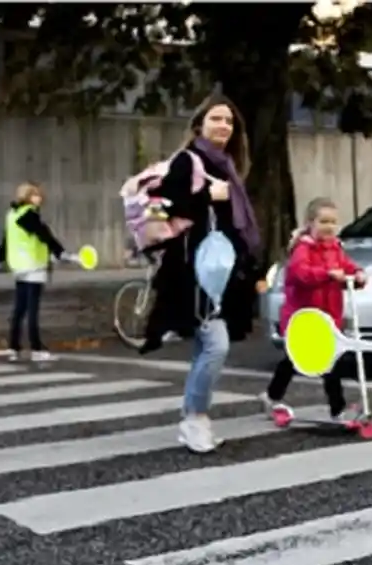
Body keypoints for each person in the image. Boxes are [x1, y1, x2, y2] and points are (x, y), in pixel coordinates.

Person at [143, 92, 262, 453]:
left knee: (205, 346)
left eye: (228, 121)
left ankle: (193, 418)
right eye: (216, 119)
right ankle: (194, 418)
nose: (223, 126)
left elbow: (232, 226)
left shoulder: (226, 167)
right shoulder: (188, 161)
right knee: (216, 344)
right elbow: (171, 206)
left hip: (217, 272)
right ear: (199, 124)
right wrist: (211, 196)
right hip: (192, 272)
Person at [259, 197, 366, 423]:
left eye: (333, 222)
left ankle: (335, 408)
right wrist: (327, 274)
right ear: (310, 223)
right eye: (323, 221)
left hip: (327, 316)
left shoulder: (335, 248)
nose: (329, 226)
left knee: (327, 361)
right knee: (298, 360)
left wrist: (358, 274)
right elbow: (300, 273)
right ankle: (334, 408)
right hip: (305, 316)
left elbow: (346, 266)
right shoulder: (303, 249)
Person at [0, 182, 71, 363]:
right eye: (35, 195)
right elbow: (44, 235)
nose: (39, 198)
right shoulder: (29, 215)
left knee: (19, 309)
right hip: (33, 267)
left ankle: (14, 346)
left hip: (19, 268)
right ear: (27, 196)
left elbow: (7, 240)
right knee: (32, 310)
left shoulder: (12, 214)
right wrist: (61, 252)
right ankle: (36, 348)